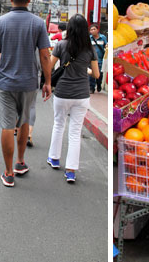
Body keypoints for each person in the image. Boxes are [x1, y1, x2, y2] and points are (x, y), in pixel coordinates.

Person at [0, 0, 52, 188]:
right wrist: (48, 82)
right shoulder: (38, 23)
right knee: (24, 121)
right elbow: (44, 55)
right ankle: (20, 162)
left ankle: (8, 173)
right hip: (29, 82)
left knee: (7, 126)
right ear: (30, 0)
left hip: (4, 82)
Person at [47, 14, 100, 183]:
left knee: (58, 124)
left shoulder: (61, 45)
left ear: (69, 29)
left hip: (62, 93)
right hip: (82, 95)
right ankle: (70, 171)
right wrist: (86, 71)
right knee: (75, 132)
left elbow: (48, 67)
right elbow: (97, 74)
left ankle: (54, 159)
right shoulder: (90, 49)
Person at [89, 23, 107, 94]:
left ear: (98, 30)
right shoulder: (89, 38)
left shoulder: (103, 38)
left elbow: (106, 46)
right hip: (91, 59)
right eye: (91, 30)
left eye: (94, 29)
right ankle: (91, 87)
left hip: (100, 59)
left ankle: (99, 84)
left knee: (99, 74)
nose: (92, 31)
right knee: (92, 74)